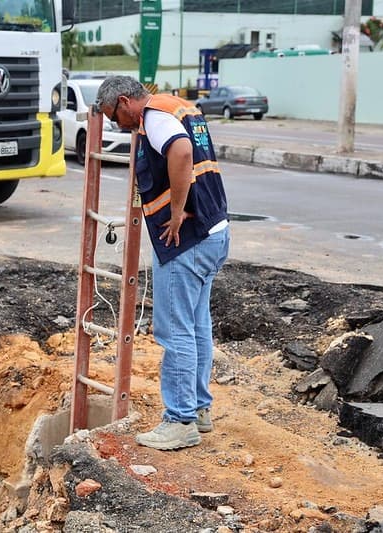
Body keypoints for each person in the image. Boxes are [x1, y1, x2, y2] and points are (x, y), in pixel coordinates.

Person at [95, 76, 230, 450]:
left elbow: (182, 152)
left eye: (114, 116)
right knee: (196, 324)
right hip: (213, 231)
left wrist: (175, 212)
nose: (117, 125)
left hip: (187, 241)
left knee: (175, 331)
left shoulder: (154, 118)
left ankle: (180, 420)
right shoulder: (175, 105)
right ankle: (200, 410)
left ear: (125, 101)